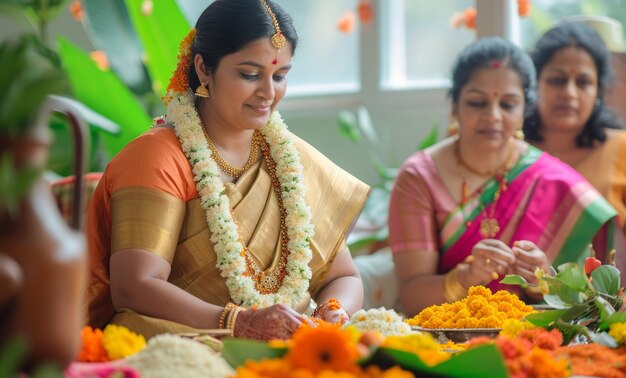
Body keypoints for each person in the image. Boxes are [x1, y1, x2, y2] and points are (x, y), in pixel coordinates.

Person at [84, 0, 369, 341]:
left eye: (279, 76)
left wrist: (334, 311)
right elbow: (135, 287)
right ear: (204, 68)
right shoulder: (157, 157)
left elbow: (344, 276)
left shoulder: (292, 159)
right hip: (182, 343)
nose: (268, 93)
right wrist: (240, 324)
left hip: (284, 344)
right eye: (250, 74)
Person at [388, 37, 622, 316]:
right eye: (477, 102)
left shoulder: (551, 179)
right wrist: (464, 278)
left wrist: (542, 280)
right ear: (454, 106)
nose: (493, 116)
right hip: (442, 336)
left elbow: (596, 302)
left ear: (525, 110)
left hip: (533, 339)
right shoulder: (419, 178)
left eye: (509, 104)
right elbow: (412, 294)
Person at [524, 21, 626, 234]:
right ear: (534, 84)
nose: (569, 93)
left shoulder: (621, 149)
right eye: (557, 80)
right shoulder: (514, 152)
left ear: (598, 91)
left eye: (583, 82)